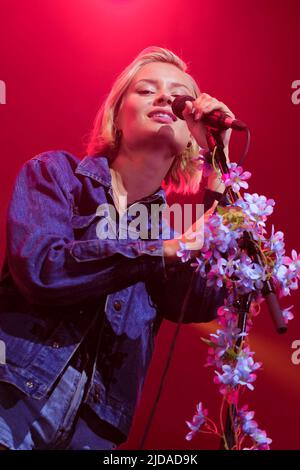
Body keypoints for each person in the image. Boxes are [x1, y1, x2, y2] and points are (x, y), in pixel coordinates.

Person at [0, 46, 234, 450]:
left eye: (180, 97)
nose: (165, 98)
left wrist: (218, 166)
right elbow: (42, 268)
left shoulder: (171, 232)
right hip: (13, 403)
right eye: (147, 90)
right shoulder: (57, 175)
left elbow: (201, 299)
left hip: (93, 434)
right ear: (118, 116)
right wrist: (159, 252)